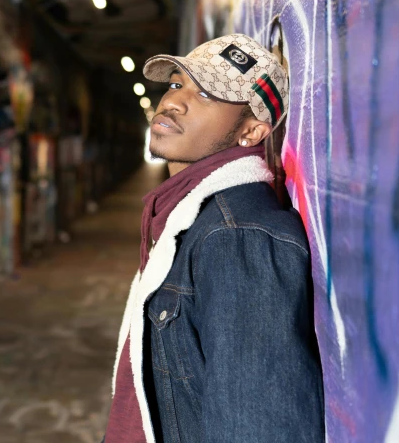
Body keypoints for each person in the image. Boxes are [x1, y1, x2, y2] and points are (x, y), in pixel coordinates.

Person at [103, 34, 325, 443]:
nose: (173, 101)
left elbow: (258, 430)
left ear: (250, 131)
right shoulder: (182, 217)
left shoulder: (237, 239)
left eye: (206, 94)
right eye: (176, 83)